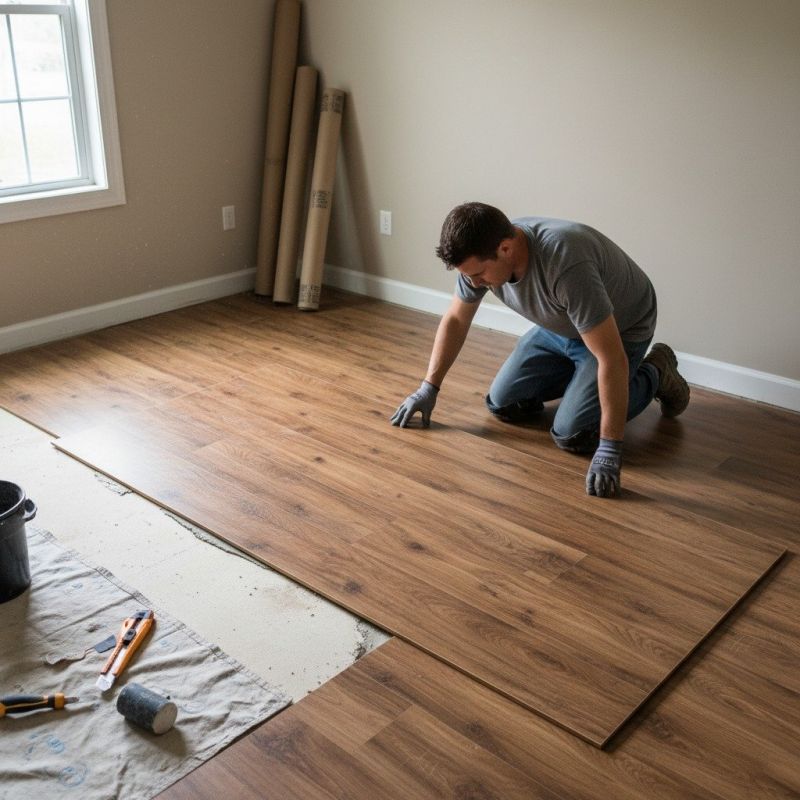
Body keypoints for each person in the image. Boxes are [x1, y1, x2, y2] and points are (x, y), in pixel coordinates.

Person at [390, 202, 689, 498]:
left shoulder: (566, 263)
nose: (474, 283)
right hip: (562, 326)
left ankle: (655, 372)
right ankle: (582, 383)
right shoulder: (480, 254)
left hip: (620, 328)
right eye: (468, 276)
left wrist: (610, 447)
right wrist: (428, 387)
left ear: (506, 249)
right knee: (502, 403)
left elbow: (610, 357)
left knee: (573, 433)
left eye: (478, 275)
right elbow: (456, 318)